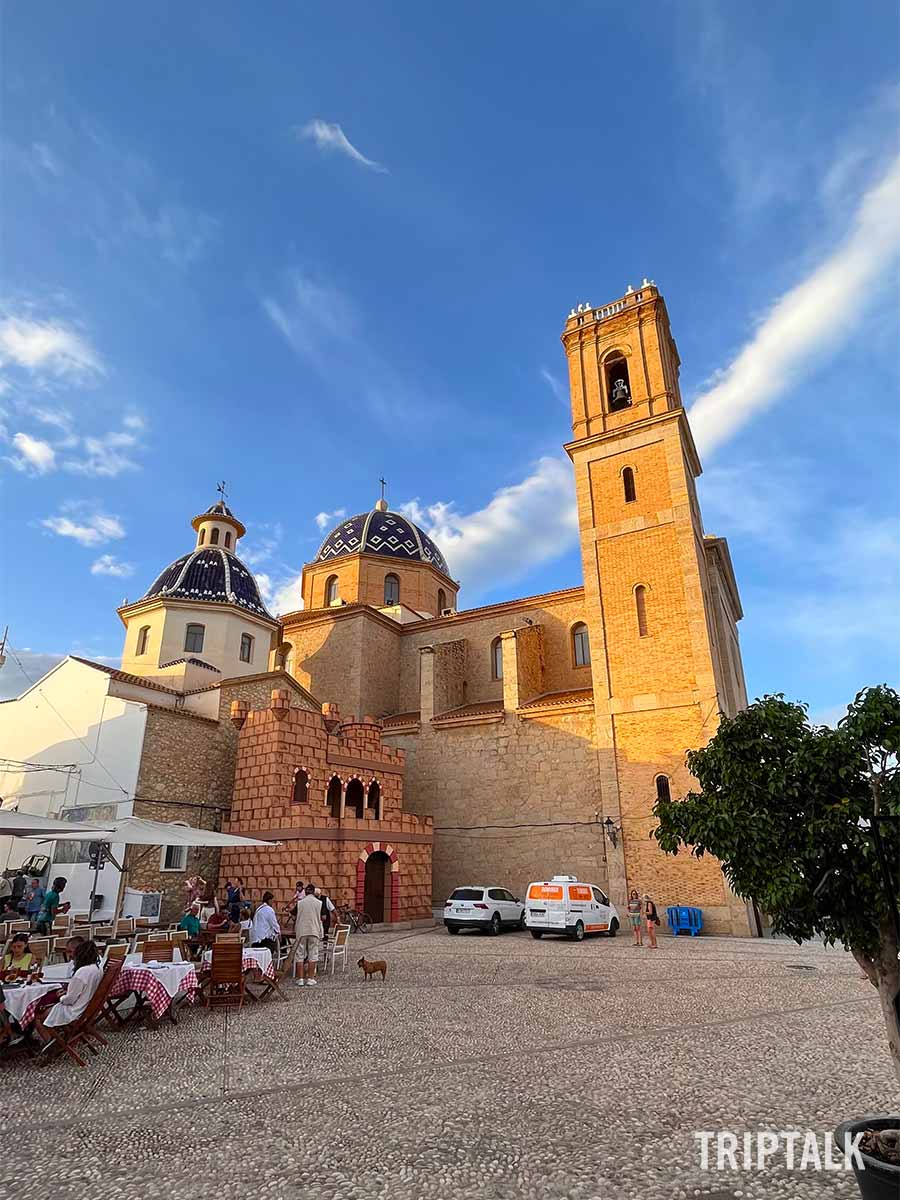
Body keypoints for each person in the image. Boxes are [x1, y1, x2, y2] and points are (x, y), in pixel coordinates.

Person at [33, 940, 103, 1041]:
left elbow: (69, 1000)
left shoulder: (81, 973)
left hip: (75, 1011)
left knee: (38, 1017)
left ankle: (52, 1043)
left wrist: (61, 996)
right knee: (47, 1007)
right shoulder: (96, 969)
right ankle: (57, 1040)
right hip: (87, 1007)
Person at [294, 883, 324, 987]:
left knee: (300, 954)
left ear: (306, 892)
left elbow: (293, 914)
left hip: (301, 931)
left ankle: (301, 979)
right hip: (314, 930)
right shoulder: (319, 903)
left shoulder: (300, 903)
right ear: (314, 892)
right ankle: (311, 978)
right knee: (313, 954)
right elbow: (322, 917)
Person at [251, 892, 281, 957]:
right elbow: (274, 924)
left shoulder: (259, 909)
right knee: (279, 942)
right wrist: (279, 933)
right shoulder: (269, 910)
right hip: (263, 941)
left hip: (254, 939)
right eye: (272, 901)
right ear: (269, 900)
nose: (273, 903)